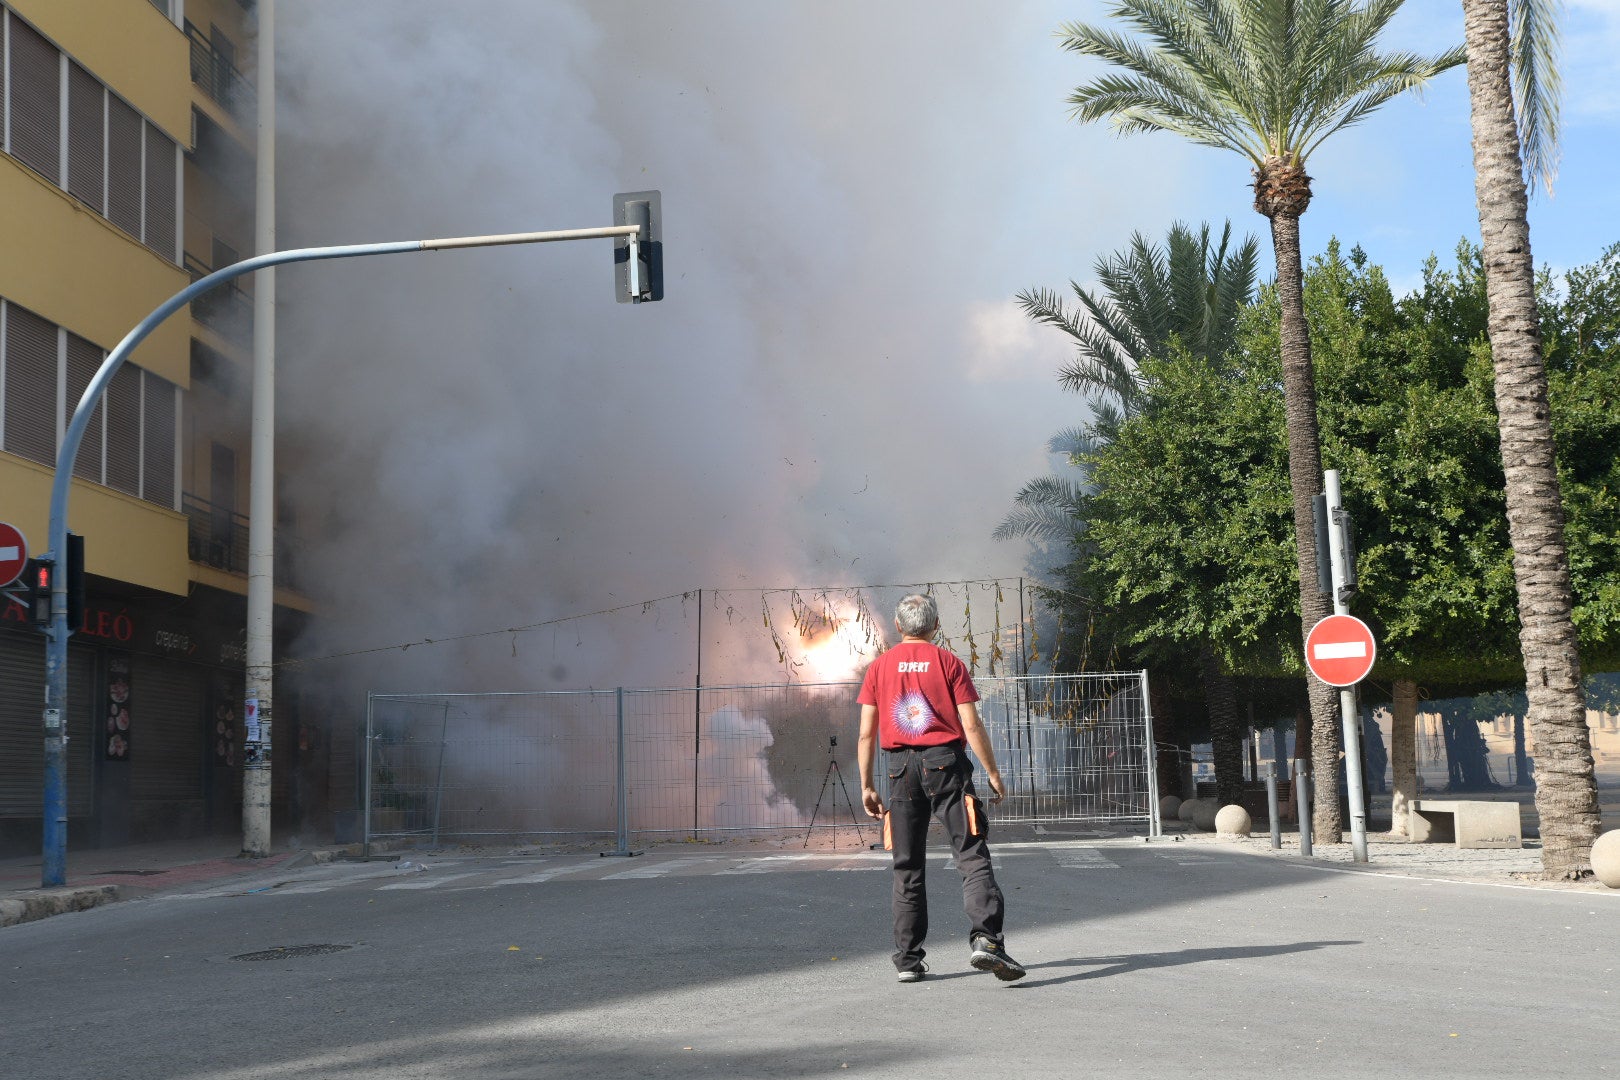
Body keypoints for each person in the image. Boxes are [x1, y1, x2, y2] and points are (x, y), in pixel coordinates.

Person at [856, 593, 1025, 984]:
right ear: (935, 626)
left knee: (907, 865)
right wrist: (993, 772)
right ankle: (987, 940)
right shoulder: (948, 662)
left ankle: (907, 961)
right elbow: (971, 724)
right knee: (970, 853)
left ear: (898, 626)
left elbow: (866, 734)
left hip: (899, 770)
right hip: (945, 764)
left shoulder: (879, 667)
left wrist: (867, 785)